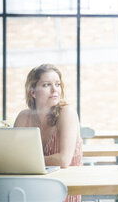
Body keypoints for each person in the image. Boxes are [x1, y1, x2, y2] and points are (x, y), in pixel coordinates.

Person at [14, 64, 82, 202]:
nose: (54, 90)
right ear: (32, 91)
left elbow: (63, 160)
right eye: (46, 85)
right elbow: (14, 158)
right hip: (31, 191)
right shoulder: (23, 117)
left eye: (57, 84)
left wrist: (27, 162)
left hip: (63, 192)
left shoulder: (67, 113)